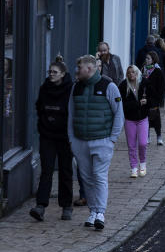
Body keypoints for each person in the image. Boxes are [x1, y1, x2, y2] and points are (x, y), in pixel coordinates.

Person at [69, 54, 123, 231]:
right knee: (86, 178)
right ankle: (93, 212)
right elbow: (71, 115)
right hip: (80, 141)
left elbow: (119, 114)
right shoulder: (76, 87)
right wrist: (73, 140)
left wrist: (112, 139)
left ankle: (100, 212)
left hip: (102, 140)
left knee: (99, 176)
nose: (77, 71)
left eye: (80, 68)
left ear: (90, 69)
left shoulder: (109, 86)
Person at [30, 60, 74, 221]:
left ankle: (66, 205)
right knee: (46, 170)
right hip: (47, 134)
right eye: (50, 72)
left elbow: (73, 111)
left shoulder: (70, 89)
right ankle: (40, 205)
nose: (51, 74)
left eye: (54, 72)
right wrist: (44, 123)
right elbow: (39, 106)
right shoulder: (45, 88)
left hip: (64, 136)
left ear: (62, 74)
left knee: (65, 170)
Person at [119, 64, 150, 178]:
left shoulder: (144, 83)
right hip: (130, 119)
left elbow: (152, 97)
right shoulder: (123, 85)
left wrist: (148, 103)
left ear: (137, 73)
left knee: (143, 143)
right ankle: (134, 168)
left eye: (133, 72)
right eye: (129, 72)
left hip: (143, 118)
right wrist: (137, 104)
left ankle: (143, 164)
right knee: (131, 145)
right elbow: (122, 104)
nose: (131, 74)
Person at [143, 54, 165, 146]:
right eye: (146, 58)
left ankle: (159, 136)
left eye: (148, 58)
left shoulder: (157, 71)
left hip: (154, 98)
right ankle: (147, 136)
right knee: (145, 117)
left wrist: (159, 99)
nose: (146, 60)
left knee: (156, 118)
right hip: (145, 97)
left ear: (153, 60)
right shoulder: (143, 69)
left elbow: (161, 87)